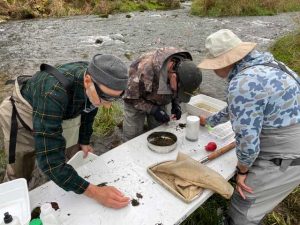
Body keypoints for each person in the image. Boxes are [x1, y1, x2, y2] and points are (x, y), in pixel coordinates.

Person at [0, 54, 130, 209]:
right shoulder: (53, 91)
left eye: (116, 98)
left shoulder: (95, 85)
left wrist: (84, 139)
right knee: (19, 172)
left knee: (67, 154)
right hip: (22, 114)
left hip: (60, 111)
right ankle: (10, 208)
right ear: (87, 81)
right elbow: (50, 162)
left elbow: (89, 109)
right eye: (105, 97)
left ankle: (65, 181)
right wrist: (96, 192)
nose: (108, 106)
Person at [198, 29, 300, 225]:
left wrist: (242, 171)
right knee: (259, 203)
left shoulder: (242, 84)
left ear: (225, 62)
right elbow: (244, 106)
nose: (213, 70)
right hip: (292, 147)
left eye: (213, 65)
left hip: (286, 157)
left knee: (244, 206)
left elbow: (248, 145)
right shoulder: (270, 65)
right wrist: (211, 121)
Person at [123, 47, 202, 140]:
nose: (177, 92)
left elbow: (176, 90)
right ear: (173, 75)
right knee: (132, 136)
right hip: (136, 99)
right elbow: (130, 98)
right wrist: (153, 110)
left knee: (159, 131)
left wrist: (176, 104)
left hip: (159, 99)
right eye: (179, 90)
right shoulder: (142, 70)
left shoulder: (185, 70)